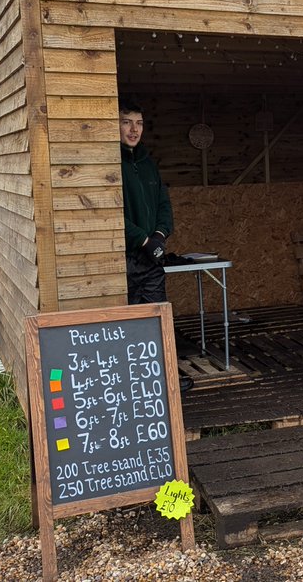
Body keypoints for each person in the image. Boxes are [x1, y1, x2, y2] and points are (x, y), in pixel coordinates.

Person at [119, 101, 192, 391]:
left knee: (156, 319)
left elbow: (164, 204)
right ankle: (129, 382)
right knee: (127, 321)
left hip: (151, 259)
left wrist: (161, 235)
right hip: (125, 259)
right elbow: (112, 213)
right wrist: (143, 239)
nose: (134, 129)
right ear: (115, 125)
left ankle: (164, 377)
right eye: (126, 122)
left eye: (139, 123)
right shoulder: (112, 164)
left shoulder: (149, 164)